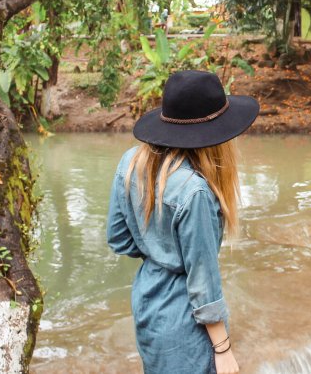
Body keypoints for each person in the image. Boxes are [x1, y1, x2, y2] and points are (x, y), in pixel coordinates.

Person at [107, 70, 259, 373]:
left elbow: (119, 238)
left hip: (148, 304)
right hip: (186, 324)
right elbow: (203, 284)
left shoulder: (130, 162)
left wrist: (158, 249)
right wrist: (224, 350)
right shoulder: (196, 192)